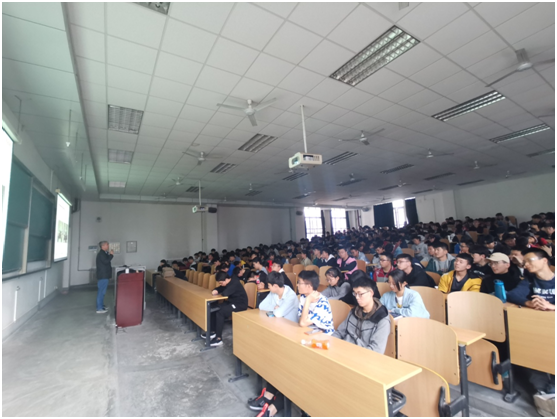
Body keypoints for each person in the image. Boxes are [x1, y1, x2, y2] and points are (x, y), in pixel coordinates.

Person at [506, 248, 555, 416]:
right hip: (537, 329)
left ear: (544, 260)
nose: (525, 265)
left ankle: (550, 392)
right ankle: (544, 392)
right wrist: (530, 304)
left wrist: (552, 307)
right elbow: (512, 295)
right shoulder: (529, 281)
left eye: (529, 261)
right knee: (530, 351)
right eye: (524, 262)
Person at [332, 273, 391, 354]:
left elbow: (376, 350)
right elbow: (339, 332)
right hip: (343, 350)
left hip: (362, 356)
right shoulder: (354, 312)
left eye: (360, 294)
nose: (356, 297)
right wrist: (331, 343)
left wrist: (350, 353)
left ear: (371, 293)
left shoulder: (382, 318)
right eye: (355, 293)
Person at [207, 272, 248, 347]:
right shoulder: (228, 282)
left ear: (226, 279)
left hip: (240, 305)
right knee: (214, 308)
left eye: (221, 283)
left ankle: (218, 338)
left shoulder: (234, 283)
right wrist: (216, 290)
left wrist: (219, 290)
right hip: (231, 302)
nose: (221, 284)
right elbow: (221, 288)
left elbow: (225, 293)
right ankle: (213, 332)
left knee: (220, 312)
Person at [297, 270, 334, 334]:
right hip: (308, 330)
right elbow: (301, 320)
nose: (297, 285)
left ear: (308, 286)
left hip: (325, 334)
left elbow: (302, 323)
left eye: (299, 282)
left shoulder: (322, 303)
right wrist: (308, 300)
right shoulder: (303, 296)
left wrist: (308, 301)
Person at [95, 241, 113, 314]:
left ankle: (101, 306)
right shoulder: (101, 254)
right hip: (103, 275)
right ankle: (99, 308)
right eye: (107, 245)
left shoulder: (104, 253)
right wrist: (111, 255)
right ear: (102, 246)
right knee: (101, 292)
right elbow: (106, 261)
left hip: (104, 275)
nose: (108, 246)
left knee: (102, 292)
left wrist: (109, 254)